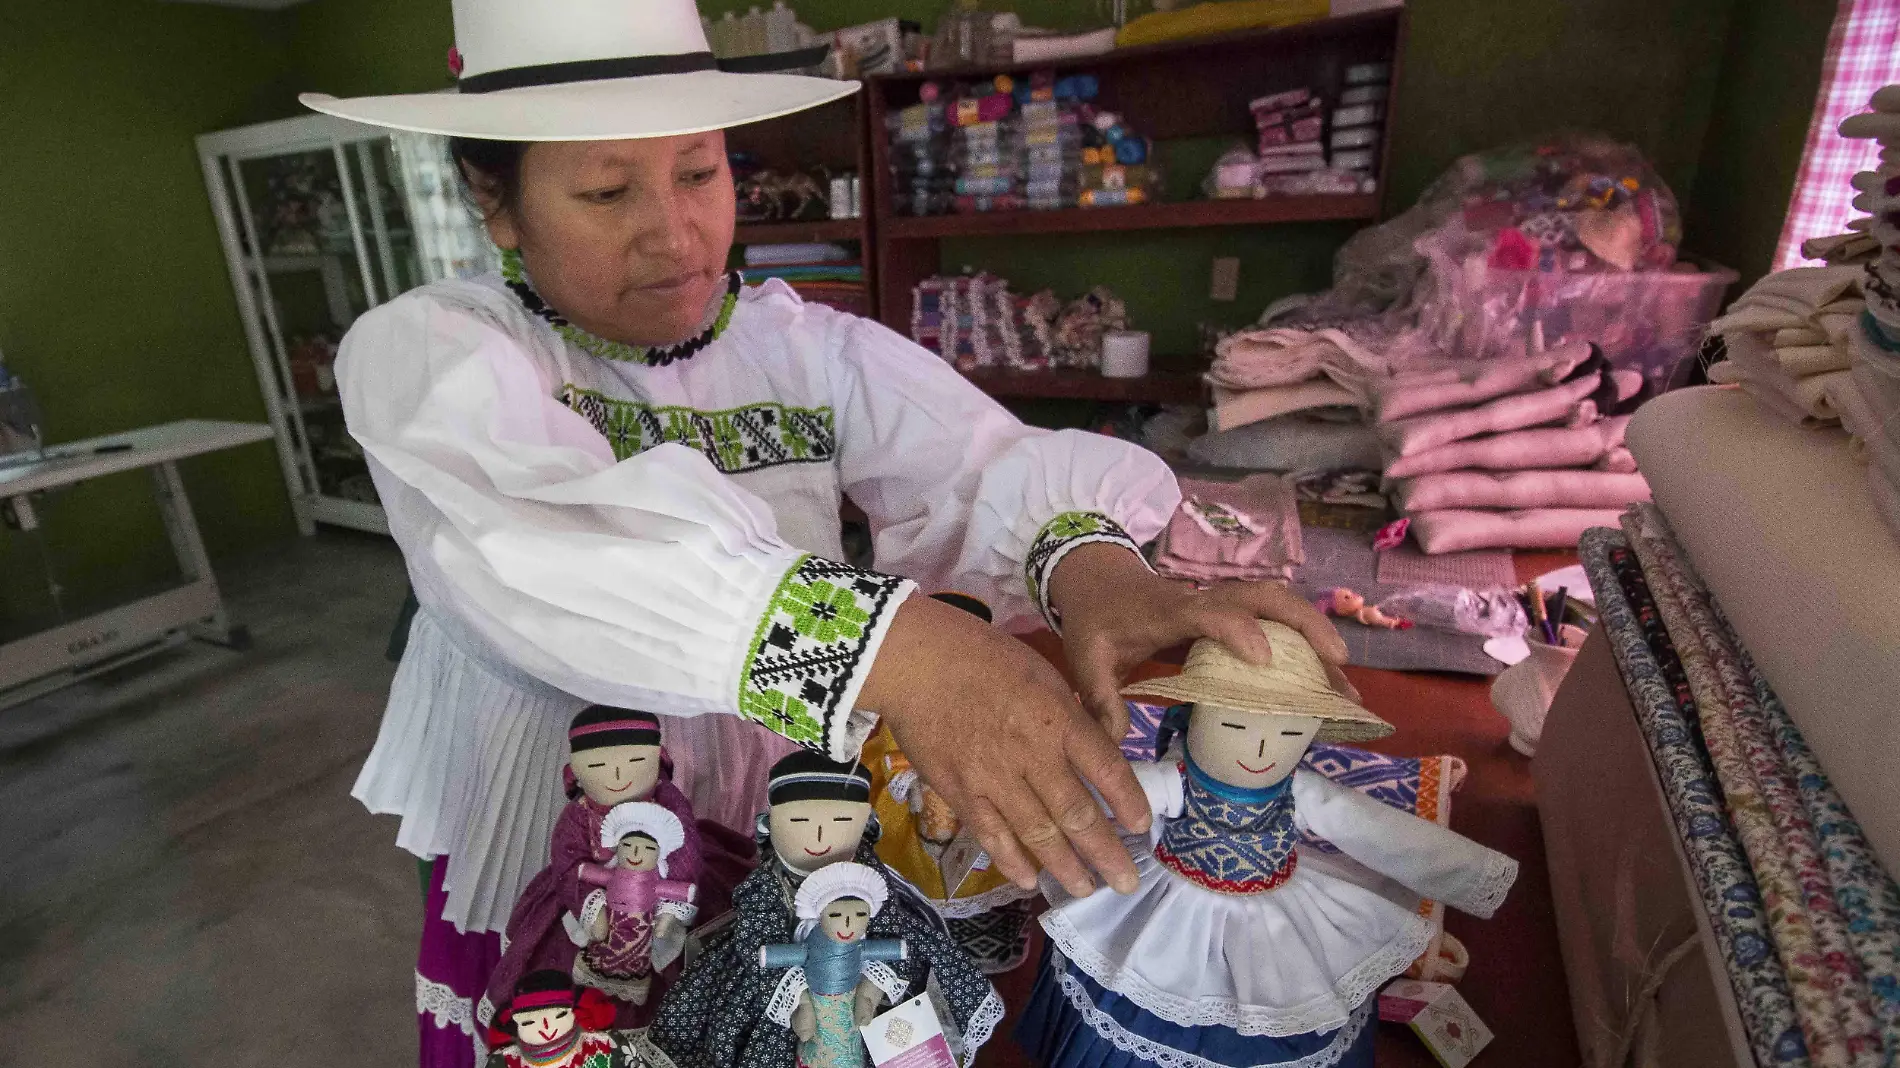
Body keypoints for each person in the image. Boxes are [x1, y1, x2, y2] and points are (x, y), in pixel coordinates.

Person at [302, 0, 1349, 1059]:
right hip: (570, 790)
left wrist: (1091, 565)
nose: (674, 233)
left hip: (777, 772)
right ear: (496, 204)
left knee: (779, 1004)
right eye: (607, 191)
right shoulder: (433, 352)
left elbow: (975, 459)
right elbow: (535, 541)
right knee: (587, 1014)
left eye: (700, 172)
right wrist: (900, 649)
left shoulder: (804, 348)